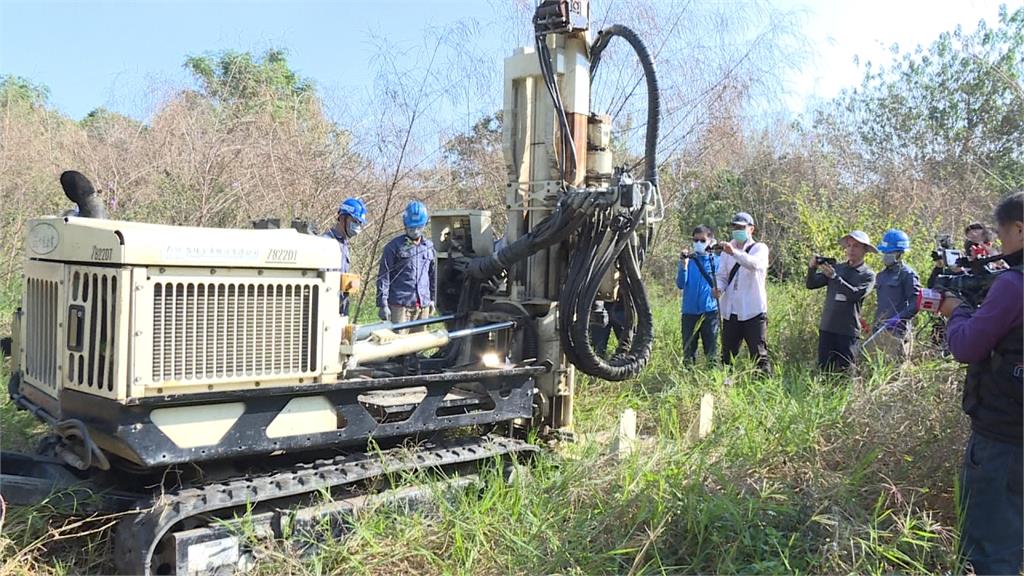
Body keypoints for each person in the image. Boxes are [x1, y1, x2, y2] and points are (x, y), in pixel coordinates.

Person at [939, 192, 1023, 575]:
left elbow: (967, 346)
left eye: (1003, 234)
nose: (1000, 245)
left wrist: (957, 312)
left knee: (992, 549)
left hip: (1004, 440)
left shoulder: (1013, 285)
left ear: (1019, 229)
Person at [806, 231, 876, 372]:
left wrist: (834, 277)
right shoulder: (838, 268)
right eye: (849, 246)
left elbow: (855, 294)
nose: (851, 249)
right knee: (824, 372)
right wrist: (812, 268)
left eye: (856, 246)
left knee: (846, 375)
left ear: (865, 250)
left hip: (848, 330)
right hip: (828, 327)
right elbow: (811, 284)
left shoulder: (868, 274)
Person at [714, 212, 770, 371]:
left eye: (741, 227)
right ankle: (724, 387)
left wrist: (734, 253)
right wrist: (719, 288)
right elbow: (722, 275)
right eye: (735, 227)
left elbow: (754, 264)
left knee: (759, 355)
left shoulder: (760, 248)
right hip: (731, 311)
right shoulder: (727, 250)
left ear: (751, 229)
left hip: (753, 311)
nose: (737, 230)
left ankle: (764, 387)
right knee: (727, 357)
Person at [377, 200, 436, 327]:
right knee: (399, 343)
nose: (415, 231)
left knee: (419, 343)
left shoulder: (429, 247)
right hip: (400, 307)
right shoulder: (393, 247)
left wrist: (432, 300)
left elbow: (432, 276)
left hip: (422, 306)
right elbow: (384, 276)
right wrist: (383, 304)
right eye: (411, 227)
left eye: (418, 227)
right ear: (405, 224)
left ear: (424, 225)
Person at [866, 229, 920, 360]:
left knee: (894, 369)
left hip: (898, 332)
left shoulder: (907, 274)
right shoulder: (881, 275)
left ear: (899, 253)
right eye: (884, 252)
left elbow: (916, 303)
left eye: (889, 252)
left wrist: (898, 318)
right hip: (880, 328)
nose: (885, 255)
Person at [676, 225, 720, 363]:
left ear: (710, 240)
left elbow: (721, 285)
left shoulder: (717, 261)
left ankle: (712, 379)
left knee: (711, 351)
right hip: (689, 313)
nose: (698, 243)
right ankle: (688, 377)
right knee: (688, 352)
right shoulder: (689, 261)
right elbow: (681, 284)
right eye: (695, 240)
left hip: (710, 312)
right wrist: (683, 265)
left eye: (702, 240)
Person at [321, 197, 367, 315]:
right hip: (326, 306)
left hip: (341, 306)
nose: (358, 226)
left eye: (360, 223)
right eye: (355, 221)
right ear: (342, 218)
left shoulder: (344, 244)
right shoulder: (326, 243)